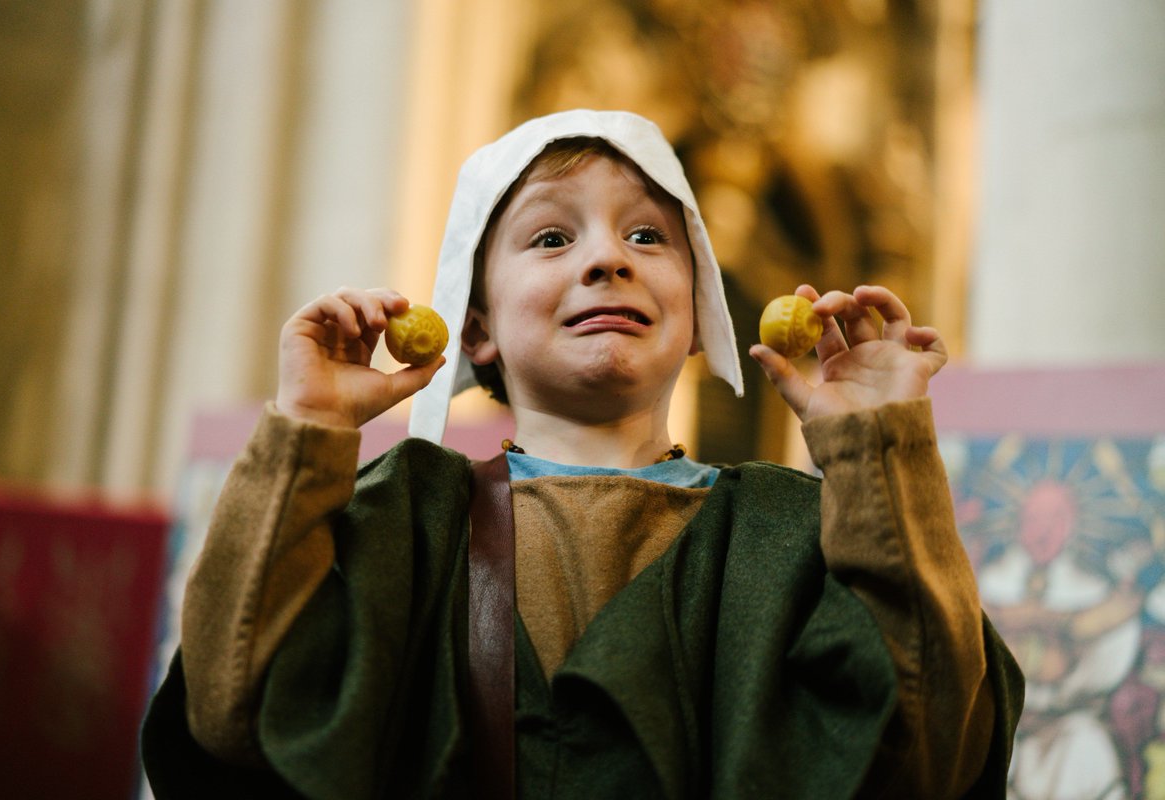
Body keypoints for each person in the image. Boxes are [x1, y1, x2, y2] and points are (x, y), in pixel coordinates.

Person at [141, 109, 1023, 799]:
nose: (608, 258)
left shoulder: (791, 529)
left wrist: (877, 447)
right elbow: (232, 709)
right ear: (476, 327)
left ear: (698, 312)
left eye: (647, 236)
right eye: (553, 238)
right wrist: (308, 435)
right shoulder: (403, 513)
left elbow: (928, 753)